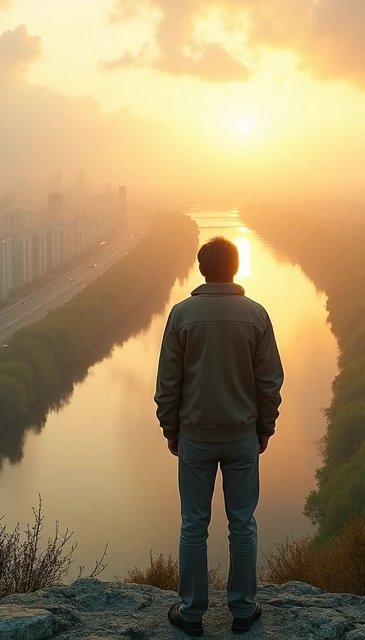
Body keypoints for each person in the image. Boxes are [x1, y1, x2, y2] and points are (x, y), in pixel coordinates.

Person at [155, 236, 284, 636]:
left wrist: (171, 429)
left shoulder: (181, 315)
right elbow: (270, 383)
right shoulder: (256, 315)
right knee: (242, 523)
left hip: (194, 437)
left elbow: (168, 383)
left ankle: (191, 613)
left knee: (193, 525)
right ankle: (243, 610)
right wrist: (264, 428)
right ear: (236, 266)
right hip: (243, 436)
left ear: (201, 268)